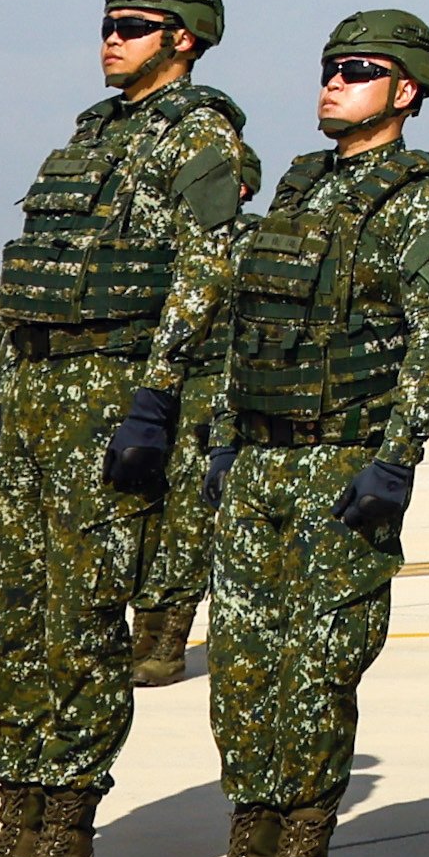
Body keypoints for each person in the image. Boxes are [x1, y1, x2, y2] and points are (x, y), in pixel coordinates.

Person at [0, 0, 254, 857]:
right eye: (108, 20)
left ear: (182, 37)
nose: (112, 36)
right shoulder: (90, 136)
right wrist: (4, 409)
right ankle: (15, 831)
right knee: (11, 621)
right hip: (37, 403)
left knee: (79, 627)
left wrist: (157, 399)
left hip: (113, 400)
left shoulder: (201, 136)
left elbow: (206, 270)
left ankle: (65, 846)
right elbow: (39, 280)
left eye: (135, 23)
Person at [140, 9, 429, 857]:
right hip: (260, 462)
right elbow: (250, 320)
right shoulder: (297, 185)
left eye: (358, 70)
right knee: (243, 675)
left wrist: (395, 459)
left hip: (340, 463)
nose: (333, 82)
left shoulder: (421, 200)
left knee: (316, 675)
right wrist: (226, 439)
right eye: (329, 67)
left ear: (404, 91)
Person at [131, 141, 264, 689]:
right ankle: (140, 635)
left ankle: (162, 646)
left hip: (215, 397)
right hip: (165, 391)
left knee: (188, 526)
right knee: (146, 519)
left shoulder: (254, 242)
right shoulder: (173, 241)